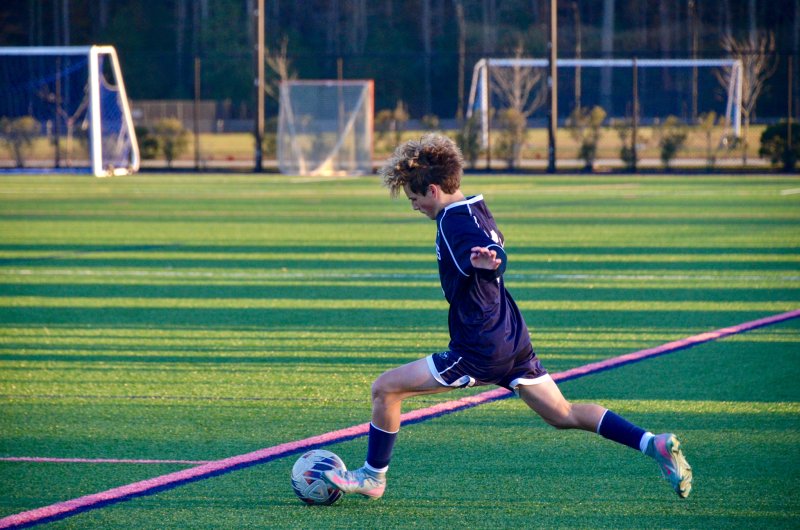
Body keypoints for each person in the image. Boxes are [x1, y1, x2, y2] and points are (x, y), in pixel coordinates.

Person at [323, 133, 692, 500]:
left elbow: (490, 253)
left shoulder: (453, 222)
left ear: (433, 190)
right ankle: (652, 443)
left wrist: (490, 264)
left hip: (481, 346)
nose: (414, 206)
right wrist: (490, 262)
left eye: (414, 198)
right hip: (511, 336)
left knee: (385, 389)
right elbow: (491, 246)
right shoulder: (475, 207)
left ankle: (373, 477)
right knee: (562, 413)